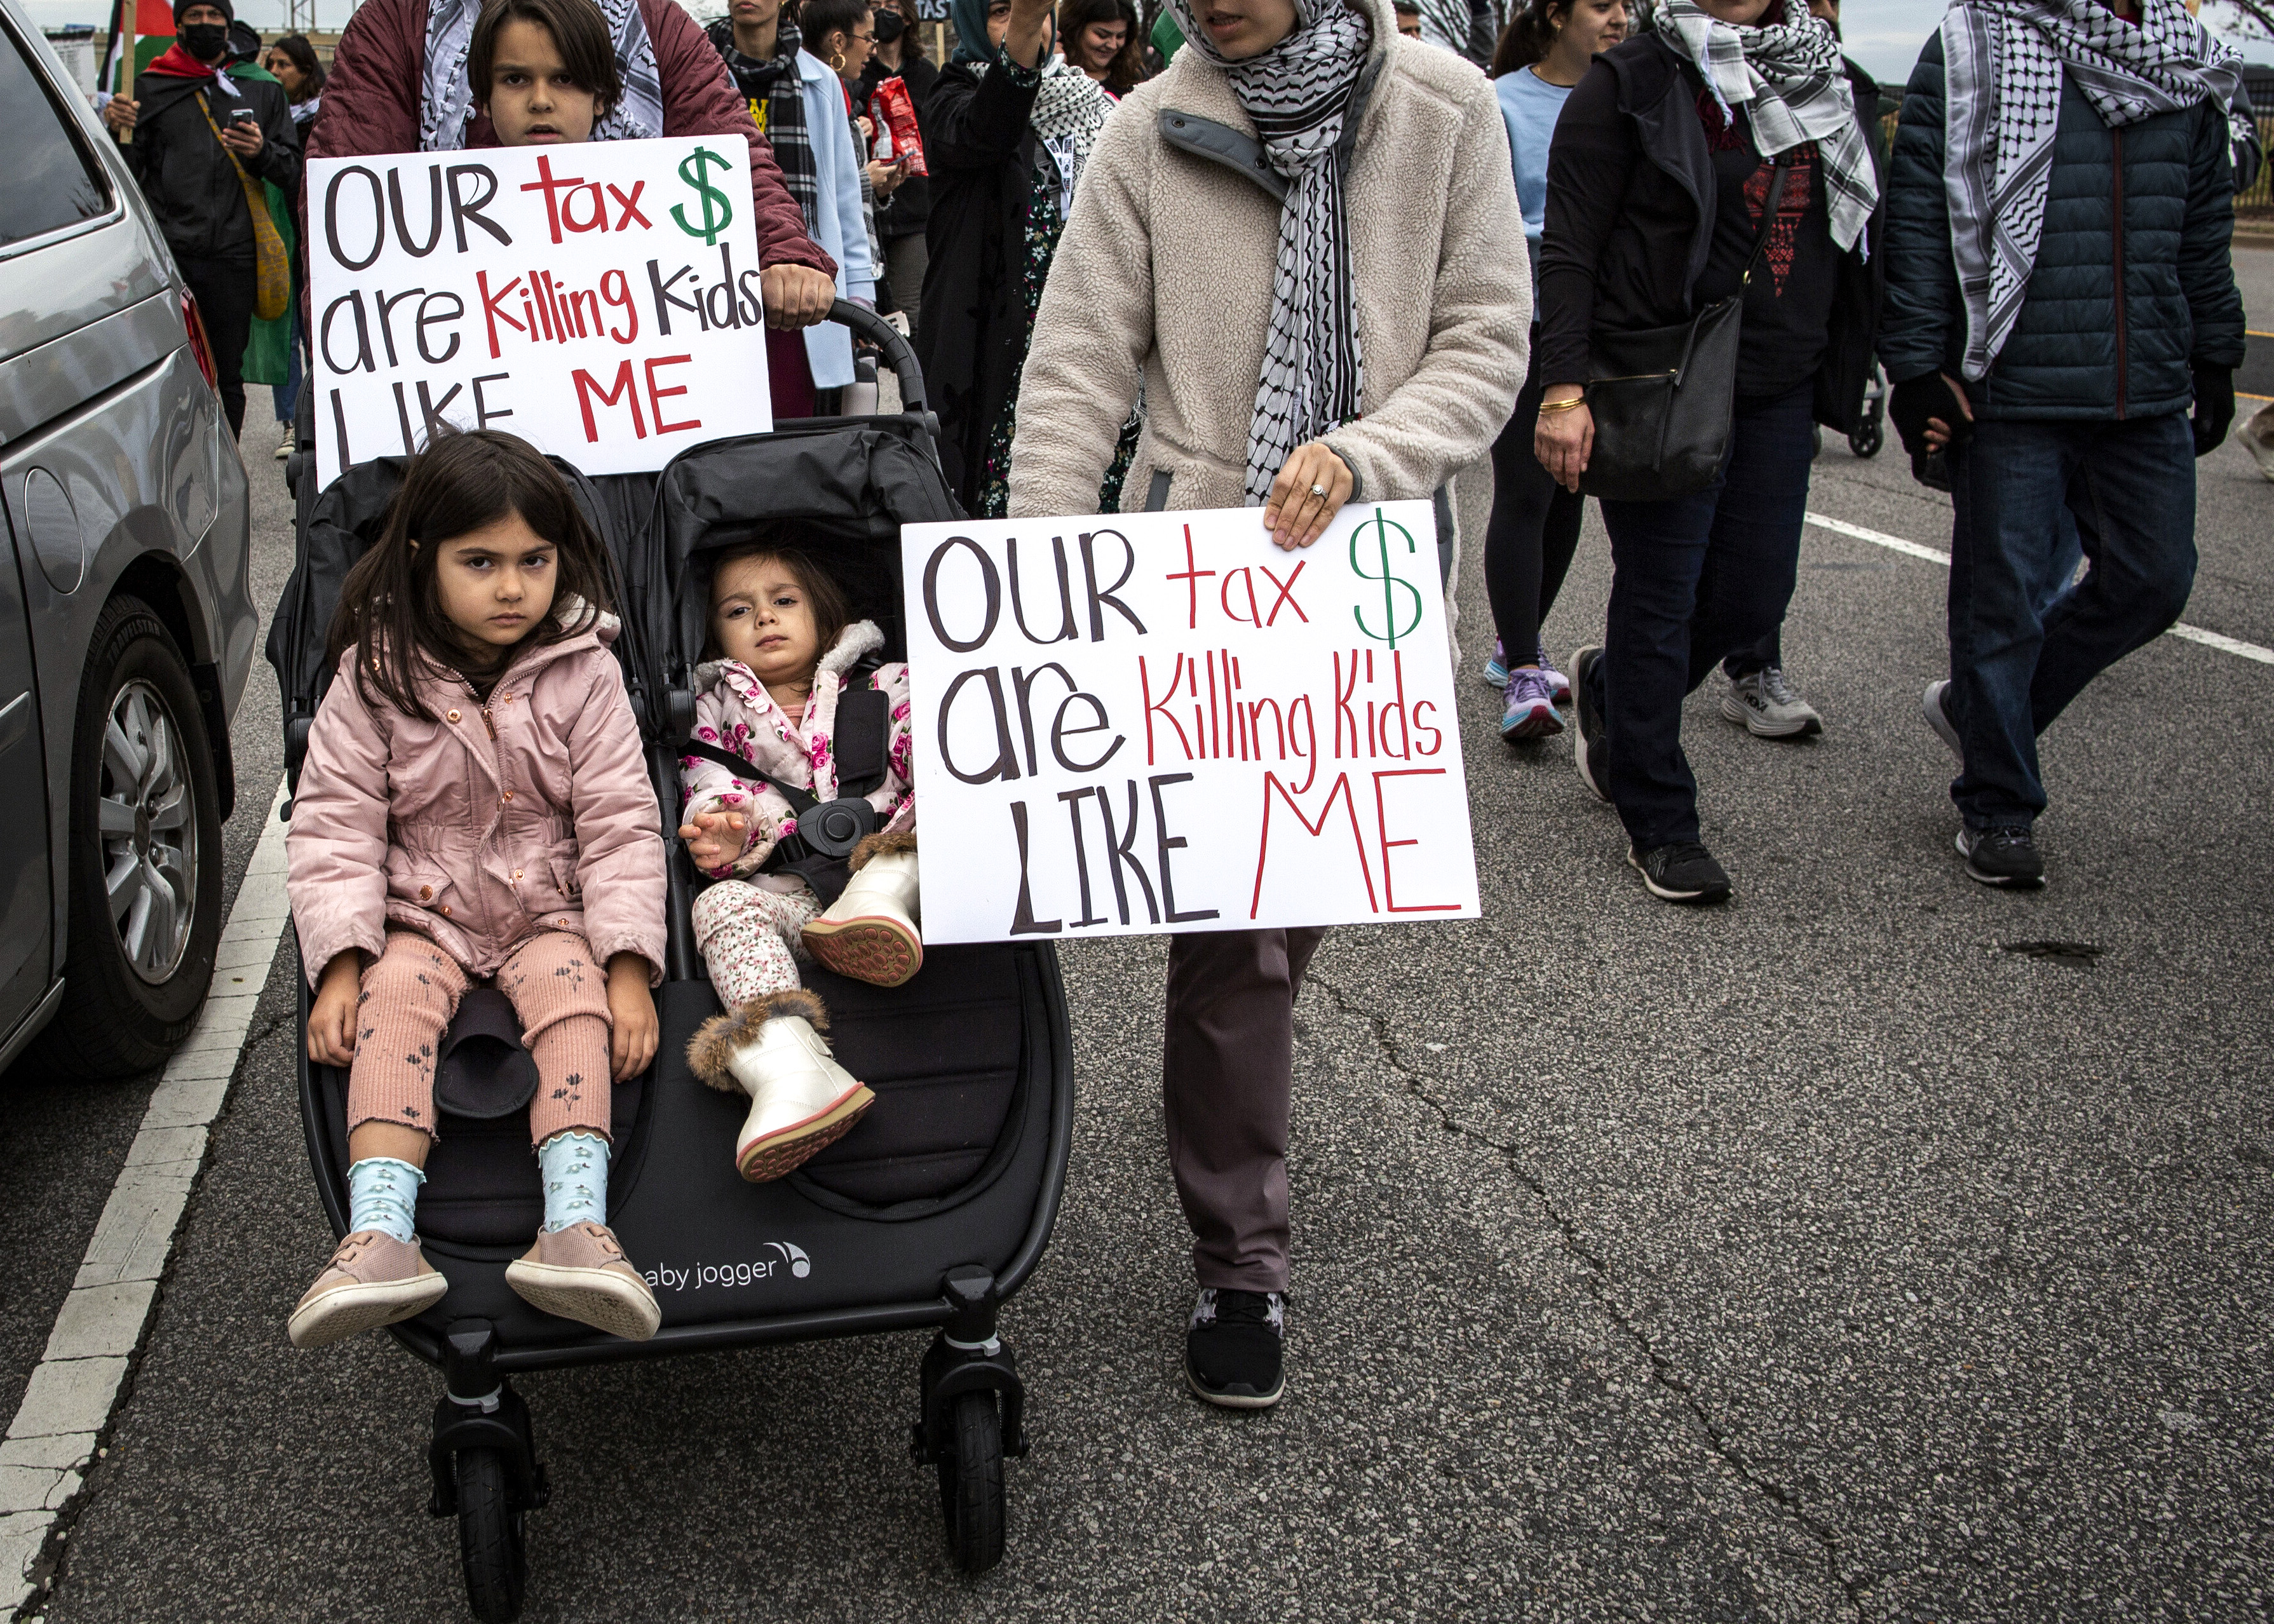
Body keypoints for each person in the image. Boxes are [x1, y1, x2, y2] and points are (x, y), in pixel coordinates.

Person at [1006, 0, 1527, 1406]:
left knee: (1301, 910)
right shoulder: (1141, 128)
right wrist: (1039, 582)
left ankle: (1222, 1078)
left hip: (1373, 571)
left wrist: (1367, 453)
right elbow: (1075, 366)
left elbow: (1485, 335)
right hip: (1196, 571)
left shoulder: (1442, 107)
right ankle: (1241, 1260)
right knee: (1234, 939)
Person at [284, 430, 667, 1351]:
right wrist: (339, 963)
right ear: (423, 559)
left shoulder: (585, 670)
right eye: (481, 563)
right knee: (394, 1004)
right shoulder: (375, 676)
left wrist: (625, 963)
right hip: (423, 909)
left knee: (576, 1004)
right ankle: (380, 1233)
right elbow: (336, 827)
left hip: (550, 908)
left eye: (534, 562)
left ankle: (574, 1226)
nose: (511, 588)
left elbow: (620, 823)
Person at [1880, 0, 2245, 889]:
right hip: (2009, 380)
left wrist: (2213, 352)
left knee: (2152, 582)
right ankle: (1997, 806)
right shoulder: (1975, 44)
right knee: (1996, 604)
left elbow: (2201, 228)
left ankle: (1977, 711)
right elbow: (1920, 209)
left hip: (2143, 382)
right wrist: (1917, 365)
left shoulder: (2182, 56)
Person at [1536, 0, 1883, 905]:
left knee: (1748, 599)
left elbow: (1861, 240)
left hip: (1779, 380)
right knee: (1659, 595)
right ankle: (1658, 817)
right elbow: (1567, 250)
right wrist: (1564, 389)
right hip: (1664, 376)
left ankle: (1610, 689)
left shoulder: (1831, 81)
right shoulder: (1633, 82)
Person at [308, 0, 841, 423]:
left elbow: (727, 155)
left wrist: (784, 254)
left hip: (625, 378)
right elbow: (350, 214)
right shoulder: (394, 23)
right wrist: (348, 347)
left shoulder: (654, 21)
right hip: (460, 372)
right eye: (514, 80)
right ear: (482, 94)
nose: (542, 100)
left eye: (565, 80)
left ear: (604, 93)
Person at [675, 543, 921, 1181]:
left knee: (939, 811)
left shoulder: (885, 685)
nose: (764, 619)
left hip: (907, 874)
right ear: (714, 630)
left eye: (784, 601)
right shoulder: (716, 715)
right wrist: (727, 828)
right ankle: (794, 1069)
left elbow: (941, 748)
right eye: (739, 610)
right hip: (804, 903)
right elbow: (711, 784)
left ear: (823, 611)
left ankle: (877, 908)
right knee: (719, 905)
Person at [1477, 0, 1625, 743]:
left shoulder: (1628, 96)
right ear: (1555, 15)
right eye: (1603, 4)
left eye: (1628, 4)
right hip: (1524, 319)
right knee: (1527, 488)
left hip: (1602, 327)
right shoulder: (1499, 102)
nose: (1620, 18)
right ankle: (1528, 665)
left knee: (1572, 488)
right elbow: (1482, 217)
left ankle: (1517, 644)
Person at [916, 0, 1116, 515]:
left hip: (1087, 341)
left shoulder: (1095, 105)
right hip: (995, 348)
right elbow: (991, 127)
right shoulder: (952, 96)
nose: (1024, 24)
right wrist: (1023, 31)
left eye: (1033, 11)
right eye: (1002, 11)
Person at [100, 0, 302, 439]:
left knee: (226, 374)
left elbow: (292, 170)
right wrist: (119, 131)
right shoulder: (151, 88)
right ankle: (175, 460)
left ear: (228, 25)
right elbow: (127, 176)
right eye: (195, 16)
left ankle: (223, 464)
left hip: (235, 259)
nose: (206, 25)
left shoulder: (262, 89)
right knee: (171, 370)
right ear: (179, 25)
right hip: (171, 261)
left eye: (215, 16)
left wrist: (261, 151)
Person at [708, 0, 879, 414]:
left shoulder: (819, 79)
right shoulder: (697, 71)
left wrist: (859, 298)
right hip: (716, 279)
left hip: (803, 284)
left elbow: (843, 195)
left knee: (796, 437)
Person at [261, 33, 325, 461]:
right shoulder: (265, 119)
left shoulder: (324, 120)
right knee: (285, 337)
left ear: (306, 71)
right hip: (279, 239)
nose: (276, 73)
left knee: (317, 334)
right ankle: (290, 423)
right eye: (272, 64)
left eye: (284, 64)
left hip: (315, 240)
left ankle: (321, 416)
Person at [860, 0, 939, 328]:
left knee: (913, 316)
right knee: (865, 316)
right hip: (866, 211)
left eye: (891, 5)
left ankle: (914, 379)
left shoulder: (926, 74)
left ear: (907, 17)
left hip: (913, 213)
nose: (883, 12)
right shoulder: (858, 69)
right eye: (875, 4)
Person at [1059, 0, 1148, 92]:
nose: (1113, 46)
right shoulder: (1052, 72)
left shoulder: (1134, 76)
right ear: (1075, 29)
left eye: (1120, 36)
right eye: (1102, 35)